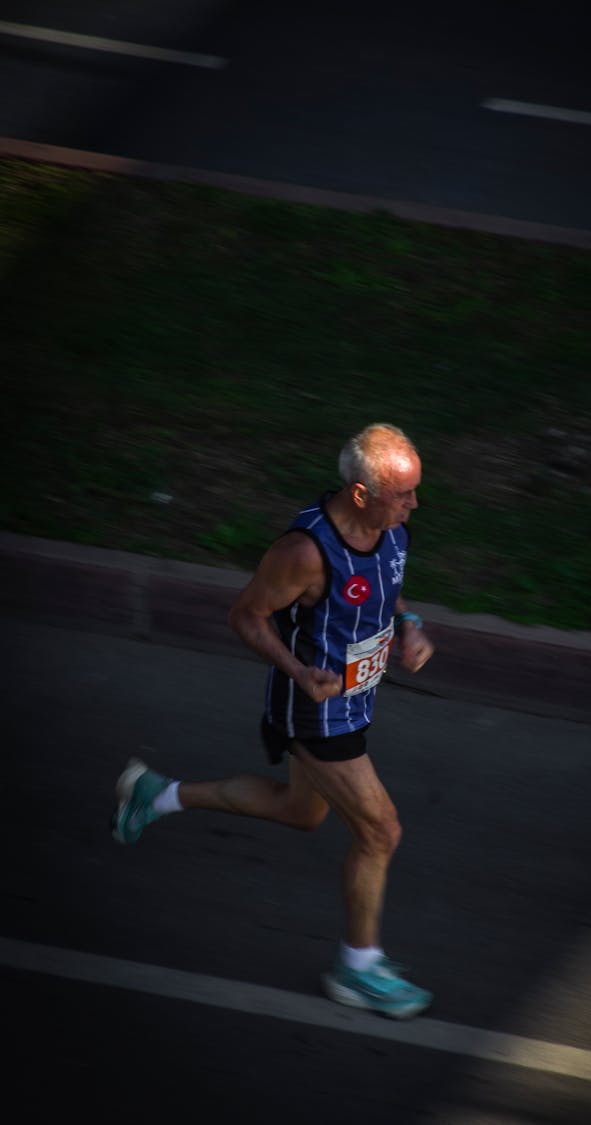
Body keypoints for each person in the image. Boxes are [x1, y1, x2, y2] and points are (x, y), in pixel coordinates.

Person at [112, 422, 435, 1019]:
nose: (415, 503)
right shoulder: (304, 553)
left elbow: (389, 589)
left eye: (414, 491)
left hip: (356, 700)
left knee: (300, 811)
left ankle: (155, 796)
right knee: (380, 831)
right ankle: (357, 968)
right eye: (403, 494)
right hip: (314, 710)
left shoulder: (391, 528)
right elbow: (246, 615)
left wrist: (409, 628)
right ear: (361, 493)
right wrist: (297, 669)